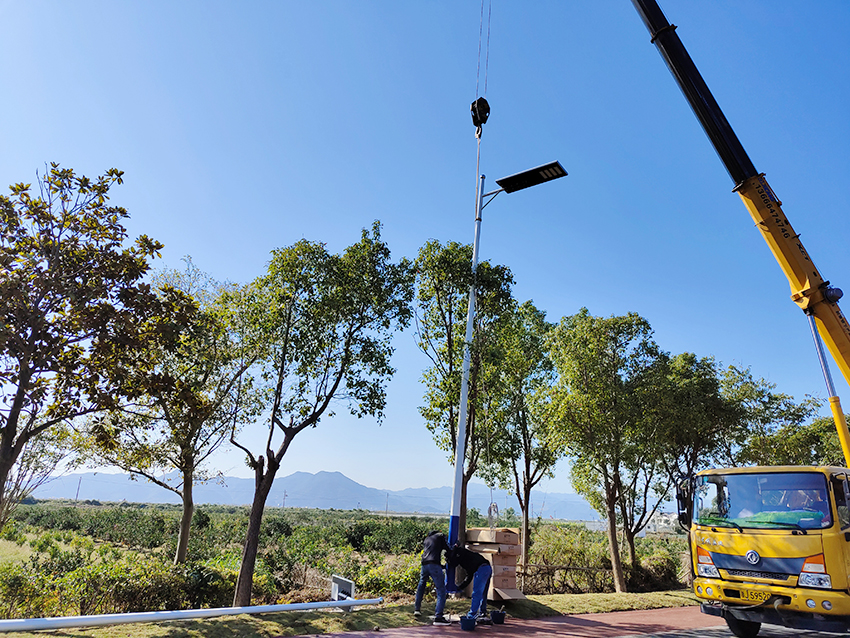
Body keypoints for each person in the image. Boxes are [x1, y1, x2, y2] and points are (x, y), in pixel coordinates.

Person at [449, 542, 493, 623]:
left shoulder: (460, 553)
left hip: (481, 569)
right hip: (487, 567)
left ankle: (472, 615)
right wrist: (460, 587)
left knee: (477, 593)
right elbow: (469, 576)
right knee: (483, 593)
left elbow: (453, 563)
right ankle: (482, 612)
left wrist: (449, 558)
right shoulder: (466, 557)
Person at [414, 530, 451, 625]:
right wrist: (455, 546)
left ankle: (417, 609)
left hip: (424, 564)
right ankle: (439, 617)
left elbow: (431, 551)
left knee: (421, 585)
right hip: (434, 564)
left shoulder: (427, 539)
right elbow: (448, 548)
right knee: (441, 590)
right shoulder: (441, 536)